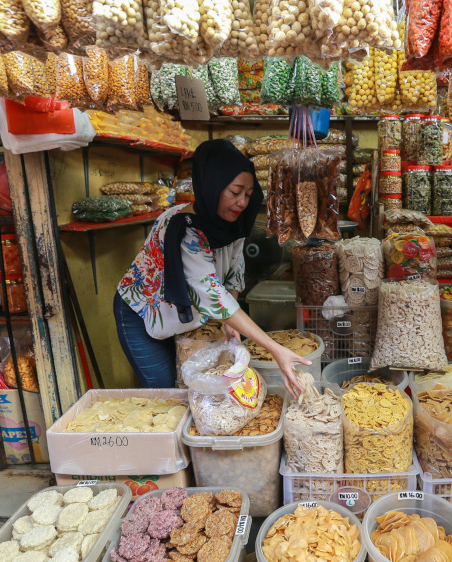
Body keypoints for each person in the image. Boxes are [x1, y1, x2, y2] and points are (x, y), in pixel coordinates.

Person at [114, 139, 307, 396]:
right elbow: (214, 296)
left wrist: (232, 324)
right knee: (165, 392)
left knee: (191, 385)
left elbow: (233, 275)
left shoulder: (232, 224)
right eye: (235, 192)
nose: (242, 203)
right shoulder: (183, 230)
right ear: (212, 186)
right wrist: (275, 348)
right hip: (143, 314)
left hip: (183, 316)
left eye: (248, 195)